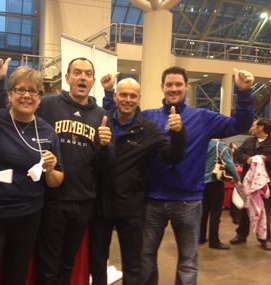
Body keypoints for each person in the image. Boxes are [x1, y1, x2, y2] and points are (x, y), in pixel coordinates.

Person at [102, 66, 254, 285]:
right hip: (153, 200)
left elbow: (239, 124)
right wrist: (109, 93)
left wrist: (245, 92)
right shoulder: (148, 117)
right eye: (169, 84)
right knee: (145, 258)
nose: (173, 89)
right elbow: (119, 118)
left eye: (178, 84)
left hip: (188, 202)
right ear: (162, 87)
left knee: (188, 261)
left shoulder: (202, 117)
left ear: (185, 87)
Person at [0, 57, 111, 285]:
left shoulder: (100, 115)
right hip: (51, 199)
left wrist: (105, 146)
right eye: (77, 72)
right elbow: (3, 115)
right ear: (67, 78)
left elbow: (103, 163)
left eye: (87, 73)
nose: (82, 77)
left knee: (67, 263)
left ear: (93, 80)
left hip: (84, 199)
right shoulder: (47, 103)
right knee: (47, 263)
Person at [0, 65, 64, 285]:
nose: (27, 95)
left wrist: (50, 169)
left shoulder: (47, 131)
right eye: (20, 89)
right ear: (9, 95)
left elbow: (57, 180)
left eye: (34, 91)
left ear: (40, 98)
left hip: (29, 217)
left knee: (16, 276)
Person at [89, 77, 186, 285]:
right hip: (99, 207)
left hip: (131, 209)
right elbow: (87, 162)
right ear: (115, 96)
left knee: (133, 265)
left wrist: (178, 134)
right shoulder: (100, 122)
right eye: (123, 94)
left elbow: (172, 156)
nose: (128, 99)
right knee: (97, 263)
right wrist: (101, 145)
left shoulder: (148, 130)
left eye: (133, 96)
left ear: (138, 98)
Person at [230, 118, 271, 250]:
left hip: (264, 184)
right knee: (245, 208)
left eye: (254, 125)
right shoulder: (249, 141)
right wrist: (247, 159)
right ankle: (241, 235)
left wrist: (266, 159)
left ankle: (265, 238)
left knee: (264, 211)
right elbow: (238, 154)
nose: (252, 128)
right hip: (247, 182)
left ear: (261, 127)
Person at [199, 139, 240, 250]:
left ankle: (201, 237)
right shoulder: (220, 146)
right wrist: (238, 179)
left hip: (202, 182)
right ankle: (214, 241)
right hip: (215, 183)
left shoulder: (202, 143)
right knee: (215, 213)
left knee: (203, 212)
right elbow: (230, 164)